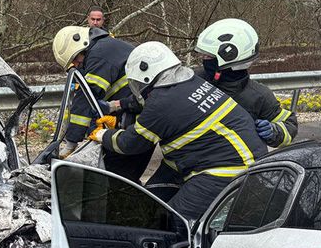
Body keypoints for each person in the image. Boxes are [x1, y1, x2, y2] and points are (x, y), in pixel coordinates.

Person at [89, 41, 266, 220]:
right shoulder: (190, 81)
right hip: (236, 157)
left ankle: (189, 245)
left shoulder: (161, 102)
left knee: (173, 220)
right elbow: (150, 104)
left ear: (145, 76)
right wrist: (116, 107)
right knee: (152, 200)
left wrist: (102, 134)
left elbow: (129, 144)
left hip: (227, 170)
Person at [51, 25, 152, 181]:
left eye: (75, 60)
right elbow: (90, 101)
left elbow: (86, 96)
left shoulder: (99, 55)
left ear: (80, 46)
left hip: (141, 122)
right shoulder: (105, 47)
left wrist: (71, 142)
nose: (76, 65)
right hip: (137, 114)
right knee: (122, 178)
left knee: (116, 180)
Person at [194, 18, 297, 149]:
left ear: (229, 56)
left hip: (234, 164)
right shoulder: (192, 79)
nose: (203, 59)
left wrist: (275, 131)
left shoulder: (258, 96)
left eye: (208, 56)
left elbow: (290, 125)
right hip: (183, 163)